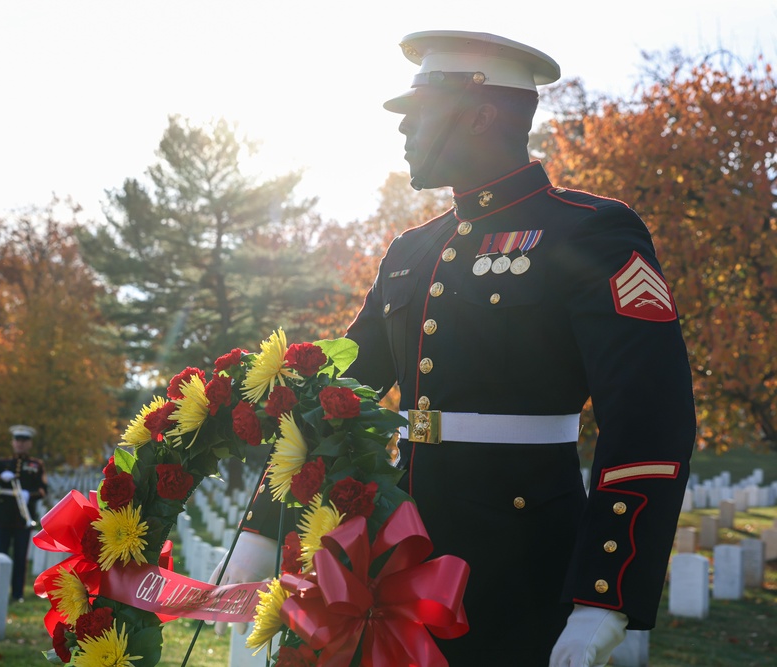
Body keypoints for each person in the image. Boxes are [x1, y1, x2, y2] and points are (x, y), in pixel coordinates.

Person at [217, 31, 696, 667]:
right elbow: (334, 398)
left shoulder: (590, 231)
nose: (405, 129)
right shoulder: (411, 252)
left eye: (420, 112)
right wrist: (260, 527)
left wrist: (603, 597)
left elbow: (648, 421)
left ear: (481, 114)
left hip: (521, 568)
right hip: (392, 563)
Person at [0, 424, 48, 602]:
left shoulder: (36, 465)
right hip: (3, 516)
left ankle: (17, 593)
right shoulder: (2, 463)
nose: (20, 444)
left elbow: (43, 490)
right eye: (17, 441)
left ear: (29, 444)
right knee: (0, 553)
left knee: (20, 557)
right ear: (12, 443)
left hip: (23, 517)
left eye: (24, 441)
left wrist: (30, 494)